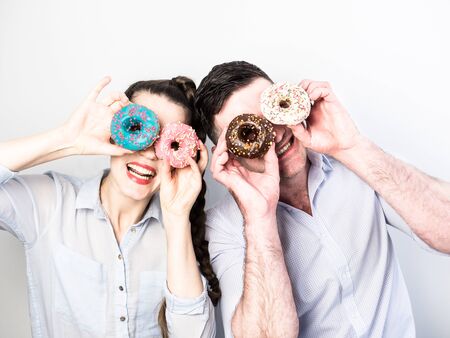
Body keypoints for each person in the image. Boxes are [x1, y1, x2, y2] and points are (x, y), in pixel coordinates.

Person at [194, 61, 450, 338]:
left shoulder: (355, 164)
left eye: (274, 112)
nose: (277, 134)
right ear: (229, 152)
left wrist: (352, 146)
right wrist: (260, 219)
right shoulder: (225, 226)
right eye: (251, 131)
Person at [0, 76, 221, 337]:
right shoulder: (50, 203)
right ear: (114, 133)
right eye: (138, 129)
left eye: (166, 143)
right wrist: (68, 140)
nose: (150, 152)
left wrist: (176, 218)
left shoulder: (188, 234)